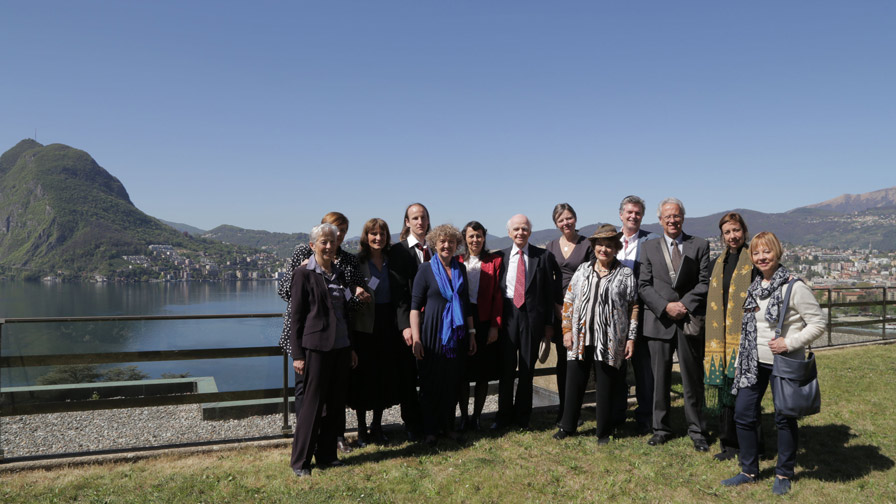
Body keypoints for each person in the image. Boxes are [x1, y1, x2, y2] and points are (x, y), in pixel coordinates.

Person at [721, 232, 825, 496]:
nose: (761, 257)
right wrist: (742, 357)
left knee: (784, 417)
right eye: (756, 253)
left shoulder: (794, 286)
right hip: (753, 362)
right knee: (743, 414)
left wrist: (789, 343)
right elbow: (749, 328)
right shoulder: (755, 286)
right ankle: (748, 470)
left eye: (766, 252)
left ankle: (784, 473)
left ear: (777, 253)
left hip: (784, 361)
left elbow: (818, 323)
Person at [277, 211, 368, 453]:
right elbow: (285, 293)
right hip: (306, 337)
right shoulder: (303, 254)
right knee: (306, 391)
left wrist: (359, 296)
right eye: (334, 230)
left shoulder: (348, 261)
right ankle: (306, 438)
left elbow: (348, 305)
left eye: (343, 232)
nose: (338, 236)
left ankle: (335, 438)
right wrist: (301, 273)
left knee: (336, 392)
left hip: (337, 337)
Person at [554, 225, 639, 445]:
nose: (604, 249)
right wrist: (566, 330)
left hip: (610, 339)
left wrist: (631, 338)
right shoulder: (583, 270)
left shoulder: (625, 274)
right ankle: (567, 426)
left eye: (609, 246)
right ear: (593, 247)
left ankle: (603, 431)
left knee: (606, 386)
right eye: (600, 245)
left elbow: (633, 306)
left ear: (616, 248)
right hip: (580, 336)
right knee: (574, 383)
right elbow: (569, 300)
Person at [638, 197, 711, 451]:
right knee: (659, 379)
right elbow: (643, 285)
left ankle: (697, 430)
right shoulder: (649, 247)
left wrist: (684, 305)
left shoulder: (699, 245)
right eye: (667, 216)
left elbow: (704, 282)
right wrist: (665, 307)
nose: (672, 220)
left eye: (676, 215)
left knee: (692, 379)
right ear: (660, 220)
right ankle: (660, 429)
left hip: (689, 321)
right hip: (659, 320)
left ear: (683, 217)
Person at [410, 224, 477, 445]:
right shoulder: (425, 270)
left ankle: (448, 427)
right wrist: (416, 338)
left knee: (451, 382)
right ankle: (430, 430)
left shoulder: (461, 269)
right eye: (442, 241)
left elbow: (465, 304)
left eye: (451, 242)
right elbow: (414, 307)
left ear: (457, 245)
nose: (447, 245)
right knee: (430, 383)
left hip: (456, 334)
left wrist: (472, 333)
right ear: (434, 244)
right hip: (431, 334)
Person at [493, 214, 557, 430]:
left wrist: (548, 324)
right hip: (508, 316)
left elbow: (549, 293)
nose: (520, 232)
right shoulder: (500, 257)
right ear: (509, 233)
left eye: (525, 229)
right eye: (516, 229)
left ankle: (522, 417)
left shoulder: (543, 256)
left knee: (527, 369)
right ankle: (503, 416)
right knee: (506, 368)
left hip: (532, 319)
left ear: (530, 232)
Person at [348, 218, 408, 446]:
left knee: (383, 375)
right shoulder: (357, 262)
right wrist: (355, 290)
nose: (378, 238)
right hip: (364, 327)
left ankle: (377, 426)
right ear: (366, 236)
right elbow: (347, 290)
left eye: (382, 234)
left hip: (388, 324)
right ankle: (361, 428)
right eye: (373, 233)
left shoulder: (392, 261)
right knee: (363, 377)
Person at [704, 212, 757, 461]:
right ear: (722, 236)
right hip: (721, 339)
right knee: (727, 392)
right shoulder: (718, 263)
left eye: (736, 230)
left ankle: (754, 443)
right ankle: (729, 444)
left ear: (744, 231)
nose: (732, 236)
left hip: (746, 337)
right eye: (727, 232)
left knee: (747, 393)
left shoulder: (754, 260)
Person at [544, 203, 593, 426]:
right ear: (556, 223)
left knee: (578, 362)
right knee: (563, 363)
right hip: (559, 309)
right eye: (561, 220)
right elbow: (548, 280)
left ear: (575, 218)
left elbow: (592, 277)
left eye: (569, 218)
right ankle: (563, 410)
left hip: (582, 309)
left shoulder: (587, 244)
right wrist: (557, 307)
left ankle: (575, 411)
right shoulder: (551, 246)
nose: (566, 223)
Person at [387, 202, 432, 441]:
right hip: (410, 324)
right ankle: (412, 424)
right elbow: (398, 292)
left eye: (423, 217)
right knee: (408, 376)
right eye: (415, 218)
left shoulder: (435, 248)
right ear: (407, 222)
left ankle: (430, 421)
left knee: (430, 373)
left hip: (434, 322)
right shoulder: (399, 251)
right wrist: (405, 325)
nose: (420, 222)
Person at [616, 195, 658, 434]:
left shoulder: (652, 241)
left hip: (643, 312)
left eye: (638, 213)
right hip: (615, 314)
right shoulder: (610, 241)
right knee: (616, 367)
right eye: (629, 212)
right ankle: (617, 413)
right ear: (621, 214)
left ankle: (646, 417)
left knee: (644, 369)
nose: (633, 216)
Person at [456, 221, 503, 431]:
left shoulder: (494, 261)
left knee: (483, 373)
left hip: (484, 320)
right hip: (461, 319)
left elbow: (498, 296)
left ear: (484, 238)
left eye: (479, 236)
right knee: (463, 373)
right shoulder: (457, 261)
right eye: (471, 236)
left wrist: (495, 325)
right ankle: (464, 417)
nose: (475, 240)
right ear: (465, 238)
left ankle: (477, 417)